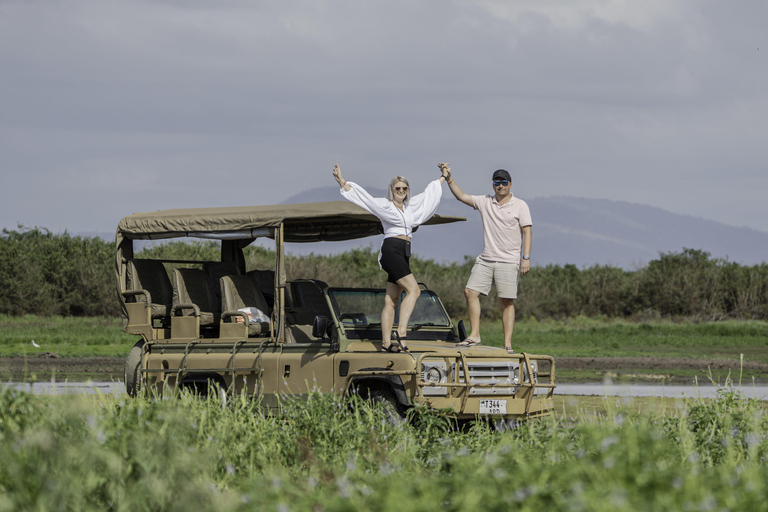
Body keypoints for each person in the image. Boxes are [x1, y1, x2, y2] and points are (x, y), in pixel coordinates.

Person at [332, 163, 450, 353]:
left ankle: (386, 343)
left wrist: (443, 177)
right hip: (391, 249)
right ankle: (401, 333)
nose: (401, 191)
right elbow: (365, 199)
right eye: (398, 188)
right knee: (414, 291)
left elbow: (429, 194)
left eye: (404, 188)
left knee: (392, 299)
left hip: (404, 252)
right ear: (392, 190)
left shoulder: (410, 208)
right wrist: (343, 182)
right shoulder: (384, 205)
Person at [442, 164, 532, 353]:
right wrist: (449, 178)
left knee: (506, 301)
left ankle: (507, 344)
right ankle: (474, 335)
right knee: (470, 292)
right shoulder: (485, 201)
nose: (500, 186)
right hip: (486, 258)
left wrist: (526, 258)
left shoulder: (520, 205)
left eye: (504, 182)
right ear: (493, 185)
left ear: (510, 184)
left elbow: (527, 231)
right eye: (496, 182)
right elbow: (462, 196)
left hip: (509, 260)